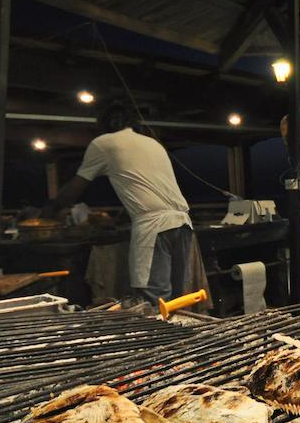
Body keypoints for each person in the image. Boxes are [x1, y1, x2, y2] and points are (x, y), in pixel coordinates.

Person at [42, 100, 193, 305]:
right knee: (178, 300)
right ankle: (181, 334)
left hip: (154, 227)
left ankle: (159, 335)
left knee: (154, 301)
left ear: (109, 122)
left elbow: (75, 188)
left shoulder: (104, 143)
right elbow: (144, 183)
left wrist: (49, 209)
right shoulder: (152, 143)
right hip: (182, 224)